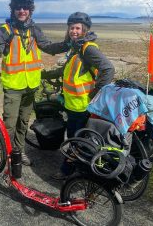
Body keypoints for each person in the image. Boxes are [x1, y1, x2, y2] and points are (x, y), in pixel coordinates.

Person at [0, 0, 66, 170]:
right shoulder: (5, 31)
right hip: (13, 86)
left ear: (31, 9)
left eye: (26, 7)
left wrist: (68, 43)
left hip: (31, 86)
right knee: (8, 123)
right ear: (13, 9)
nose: (22, 10)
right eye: (18, 7)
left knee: (23, 123)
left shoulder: (34, 29)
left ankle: (18, 151)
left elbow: (48, 47)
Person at [41, 12, 115, 180]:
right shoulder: (76, 48)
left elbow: (108, 69)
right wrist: (44, 75)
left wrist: (95, 95)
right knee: (75, 137)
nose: (73, 31)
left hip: (83, 106)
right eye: (71, 28)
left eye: (77, 28)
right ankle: (77, 165)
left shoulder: (87, 48)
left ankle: (67, 170)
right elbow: (65, 71)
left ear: (84, 30)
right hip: (72, 104)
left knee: (76, 140)